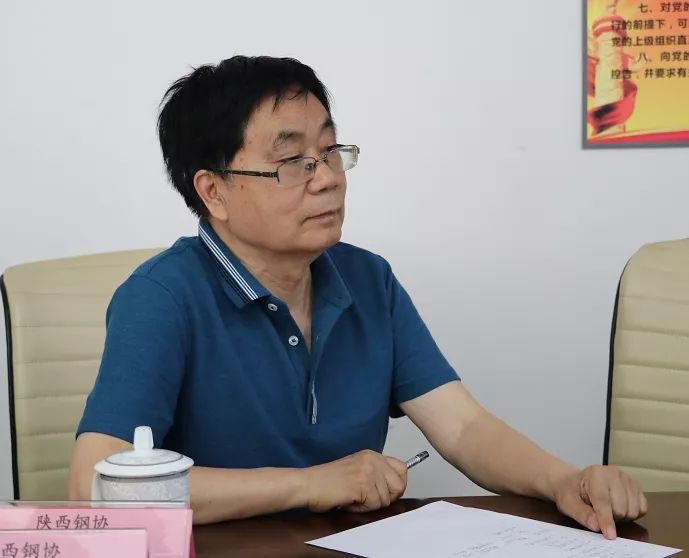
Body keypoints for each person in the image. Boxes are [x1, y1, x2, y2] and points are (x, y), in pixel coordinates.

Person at [68, 55, 646, 533]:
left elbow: (463, 428)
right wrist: (309, 484)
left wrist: (562, 481)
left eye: (329, 152)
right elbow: (95, 486)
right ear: (213, 191)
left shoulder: (368, 280)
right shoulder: (161, 297)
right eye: (292, 162)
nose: (326, 178)